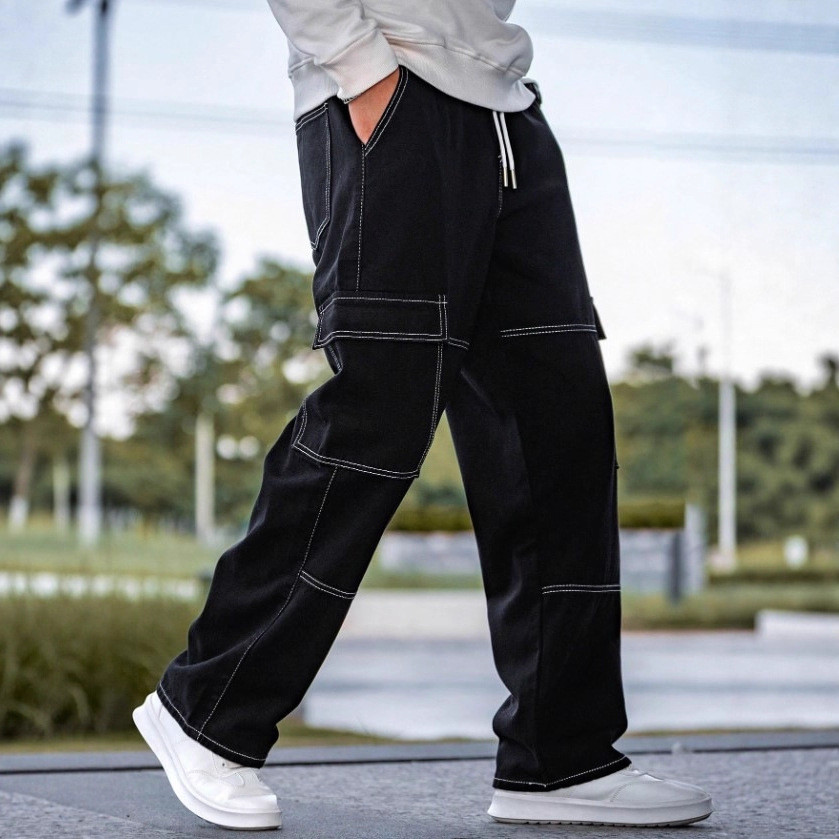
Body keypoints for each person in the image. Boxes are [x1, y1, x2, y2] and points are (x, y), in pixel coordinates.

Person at [133, 0, 714, 830]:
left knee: (560, 434)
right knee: (377, 420)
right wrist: (365, 72)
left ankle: (558, 757)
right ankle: (205, 711)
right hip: (390, 92)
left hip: (508, 113)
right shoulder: (377, 83)